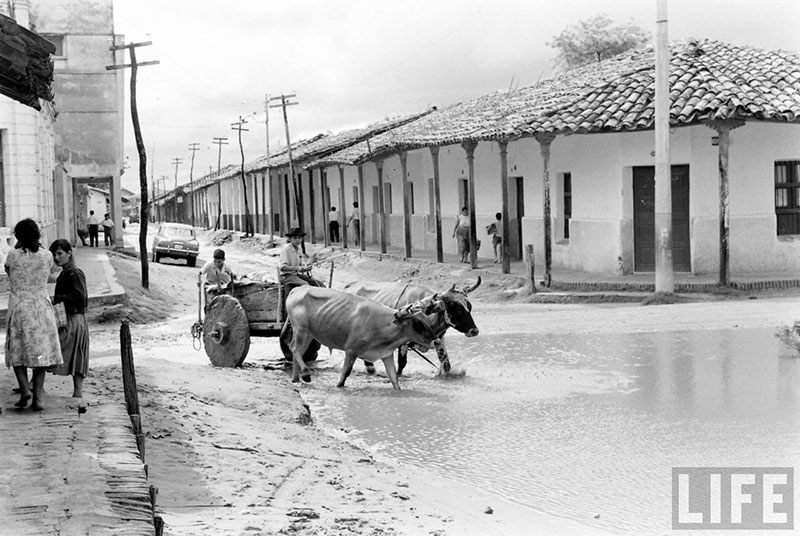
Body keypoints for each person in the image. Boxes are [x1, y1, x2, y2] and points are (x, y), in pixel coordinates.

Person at [4, 218, 63, 411]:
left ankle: (24, 389)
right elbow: (51, 271)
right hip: (42, 308)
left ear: (18, 236)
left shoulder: (13, 254)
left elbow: (8, 269)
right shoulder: (46, 255)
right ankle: (38, 398)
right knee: (40, 355)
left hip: (20, 306)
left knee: (17, 352)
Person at [49, 239, 89, 399]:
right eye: (54, 254)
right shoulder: (66, 272)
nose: (57, 258)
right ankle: (34, 383)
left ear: (69, 253)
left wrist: (57, 298)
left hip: (75, 319)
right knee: (64, 352)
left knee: (72, 354)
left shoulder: (75, 273)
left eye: (60, 254)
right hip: (68, 317)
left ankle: (78, 392)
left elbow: (80, 297)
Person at [279, 227, 323, 295]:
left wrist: (307, 267)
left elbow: (302, 265)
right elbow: (283, 267)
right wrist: (299, 268)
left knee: (318, 284)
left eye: (299, 238)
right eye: (295, 238)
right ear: (290, 239)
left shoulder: (299, 250)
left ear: (302, 239)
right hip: (286, 276)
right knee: (305, 285)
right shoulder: (286, 249)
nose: (297, 240)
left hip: (296, 275)